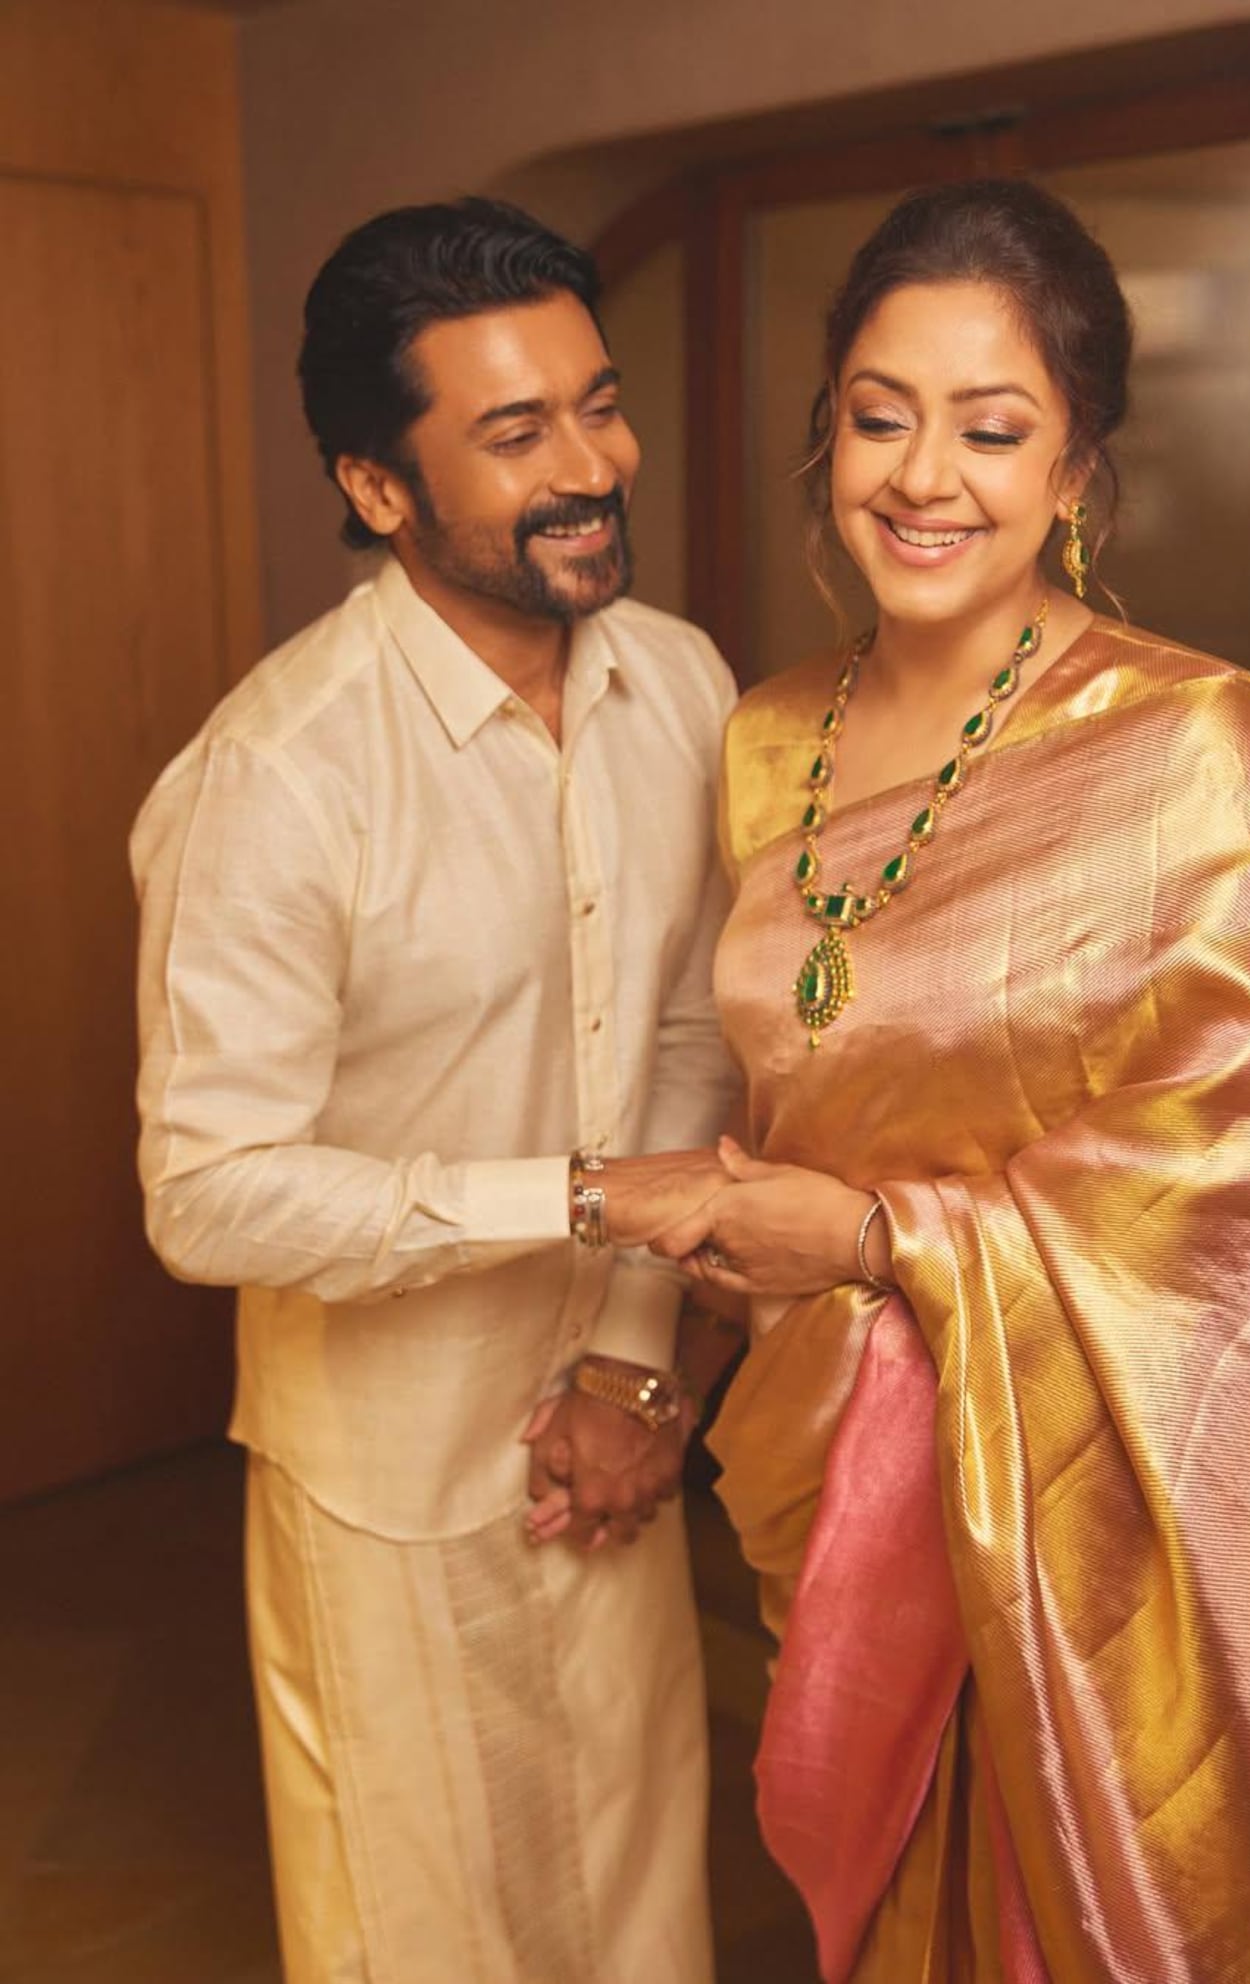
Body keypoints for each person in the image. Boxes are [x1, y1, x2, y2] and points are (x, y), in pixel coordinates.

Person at [647, 180, 1250, 1981]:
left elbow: (1238, 1179)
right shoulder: (767, 736)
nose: (923, 477)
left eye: (992, 428)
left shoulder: (1193, 743)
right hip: (842, 1481)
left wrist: (884, 1240)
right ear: (827, 431)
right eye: (880, 417)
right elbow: (787, 1086)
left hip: (1101, 1515)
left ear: (1078, 466)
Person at [132, 199, 739, 1984]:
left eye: (598, 405)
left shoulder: (680, 682)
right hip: (386, 1480)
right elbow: (206, 1191)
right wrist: (583, 1200)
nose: (592, 468)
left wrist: (633, 1358)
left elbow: (688, 1033)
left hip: (610, 1434)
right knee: (427, 1937)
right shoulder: (279, 777)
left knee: (640, 1919)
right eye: (516, 433)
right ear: (376, 486)